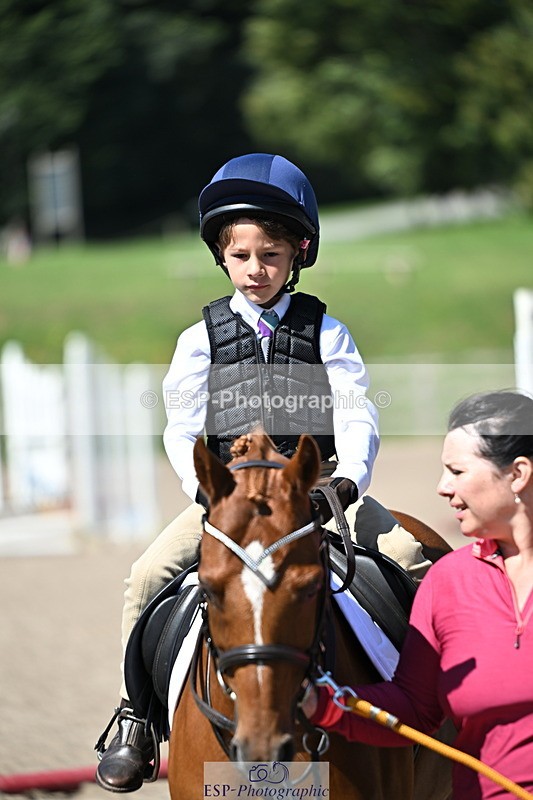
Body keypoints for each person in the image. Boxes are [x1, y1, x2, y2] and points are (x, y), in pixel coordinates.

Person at [95, 153, 431, 792]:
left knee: (412, 552)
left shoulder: (327, 332)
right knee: (144, 577)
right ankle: (134, 718)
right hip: (228, 498)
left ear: (298, 254)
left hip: (319, 490)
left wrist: (349, 480)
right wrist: (205, 492)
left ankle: (432, 707)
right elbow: (181, 428)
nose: (256, 270)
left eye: (271, 255)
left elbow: (357, 415)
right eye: (242, 255)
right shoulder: (199, 340)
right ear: (221, 256)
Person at [304, 389, 533, 799]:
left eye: (457, 472)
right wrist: (320, 703)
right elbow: (414, 708)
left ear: (517, 474)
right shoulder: (447, 581)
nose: (443, 488)